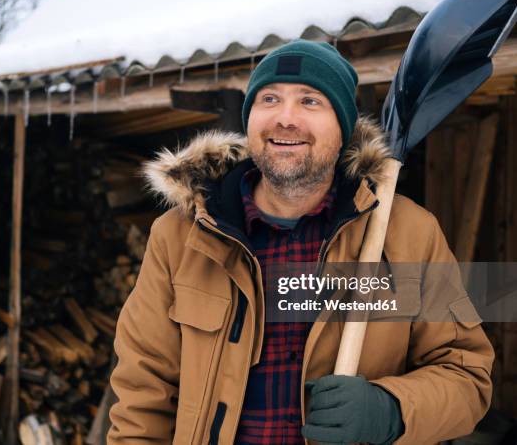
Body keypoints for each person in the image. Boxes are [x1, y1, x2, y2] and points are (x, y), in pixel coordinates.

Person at [106, 40, 494, 445]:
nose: (285, 119)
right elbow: (141, 391)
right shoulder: (180, 236)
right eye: (269, 99)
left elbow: (467, 377)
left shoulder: (410, 233)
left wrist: (390, 409)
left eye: (310, 101)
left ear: (343, 127)